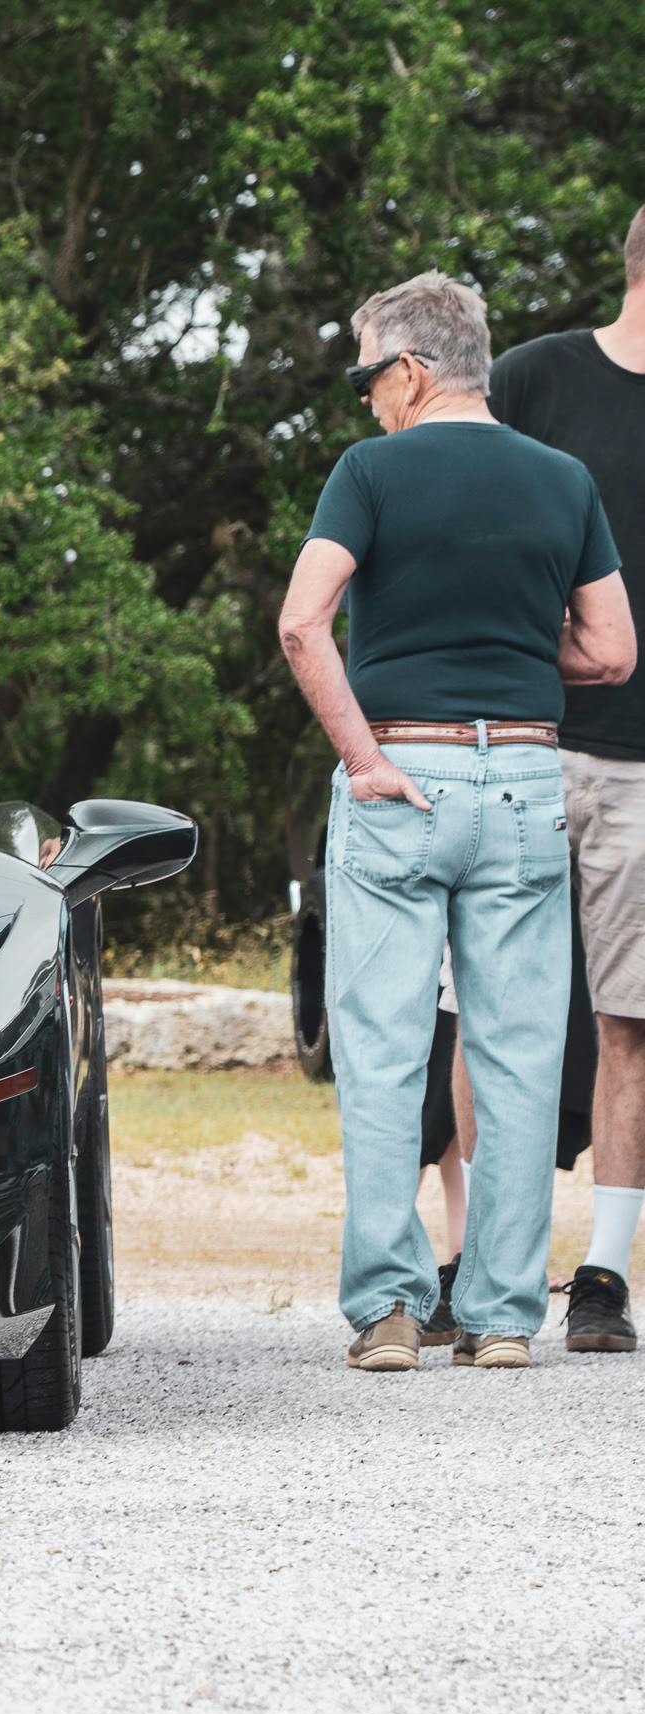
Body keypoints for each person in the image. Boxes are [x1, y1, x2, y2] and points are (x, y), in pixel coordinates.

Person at [279, 270, 635, 1372]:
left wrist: (365, 757)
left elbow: (302, 623)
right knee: (522, 1055)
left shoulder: (370, 473)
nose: (363, 399)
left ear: (415, 368)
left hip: (404, 776)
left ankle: (390, 1309)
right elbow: (613, 649)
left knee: (387, 1052)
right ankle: (499, 1315)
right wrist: (522, 666)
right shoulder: (561, 478)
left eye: (366, 374)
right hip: (526, 778)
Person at [490, 200, 645, 1353]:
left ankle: (602, 1277)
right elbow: (459, 525)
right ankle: (480, 1263)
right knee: (493, 1014)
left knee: (630, 1022)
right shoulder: (536, 379)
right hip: (523, 747)